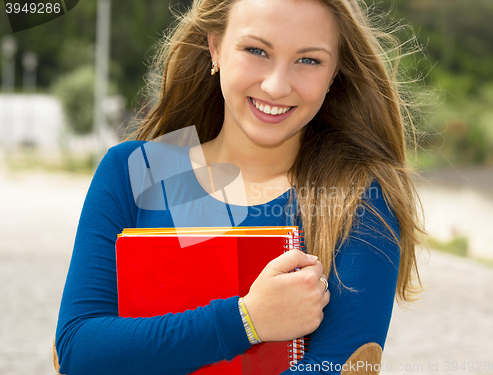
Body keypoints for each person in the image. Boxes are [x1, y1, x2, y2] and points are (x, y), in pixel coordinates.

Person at [54, 0, 425, 374]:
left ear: (335, 73)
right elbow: (78, 353)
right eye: (256, 51)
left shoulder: (360, 196)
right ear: (215, 46)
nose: (276, 85)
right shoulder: (137, 170)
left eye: (309, 60)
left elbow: (339, 366)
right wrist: (247, 320)